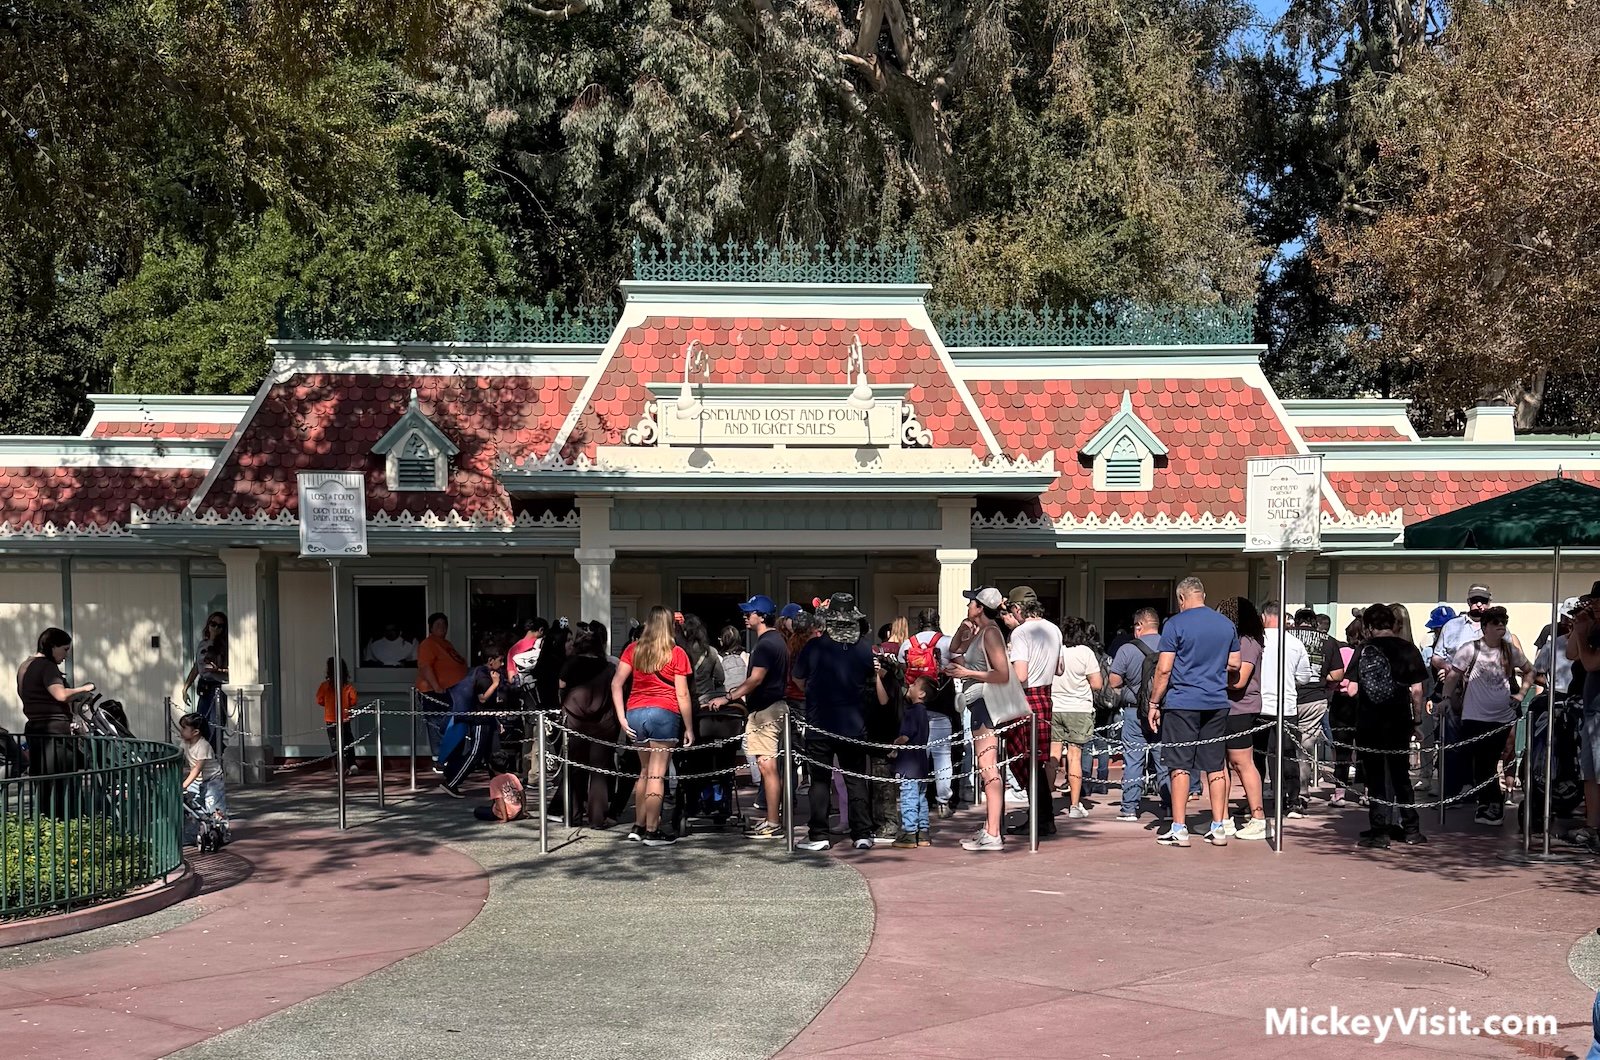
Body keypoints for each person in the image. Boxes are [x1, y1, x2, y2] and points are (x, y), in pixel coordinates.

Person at [1147, 577, 1239, 848]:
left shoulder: (1175, 624)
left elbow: (1164, 668)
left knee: (1179, 764)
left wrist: (1153, 703)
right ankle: (1218, 826)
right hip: (1216, 701)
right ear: (1203, 595)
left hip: (1182, 702)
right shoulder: (1226, 624)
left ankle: (1179, 827)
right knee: (1215, 765)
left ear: (1181, 598)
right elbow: (1235, 663)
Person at [792, 594, 887, 852]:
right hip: (853, 724)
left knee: (819, 781)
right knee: (855, 779)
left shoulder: (814, 647)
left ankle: (819, 834)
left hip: (819, 722)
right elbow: (871, 678)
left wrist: (815, 691)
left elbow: (798, 679)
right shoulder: (864, 648)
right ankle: (862, 833)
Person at [1347, 603, 1430, 848]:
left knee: (1375, 777)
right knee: (1400, 775)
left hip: (1369, 722)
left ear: (1369, 626)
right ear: (1393, 623)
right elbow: (1417, 690)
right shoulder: (1408, 649)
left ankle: (1380, 831)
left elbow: (1351, 689)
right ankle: (1412, 829)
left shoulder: (1363, 649)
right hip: (1399, 721)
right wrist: (1417, 721)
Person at [1443, 605, 1533, 827]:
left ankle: (1493, 804)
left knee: (1490, 761)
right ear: (1485, 627)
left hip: (1502, 717)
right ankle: (1487, 802)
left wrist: (1521, 694)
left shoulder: (1510, 650)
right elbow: (1453, 676)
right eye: (1495, 622)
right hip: (1474, 716)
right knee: (1479, 763)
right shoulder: (1470, 649)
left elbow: (1529, 670)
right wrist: (1445, 699)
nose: (1500, 625)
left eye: (1503, 621)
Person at [611, 607, 692, 846]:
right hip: (664, 712)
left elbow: (616, 684)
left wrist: (621, 717)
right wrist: (689, 727)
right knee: (657, 773)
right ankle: (652, 830)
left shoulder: (632, 649)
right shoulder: (676, 653)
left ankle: (638, 825)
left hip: (635, 712)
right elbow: (682, 693)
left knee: (644, 772)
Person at [947, 587, 1015, 852]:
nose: (968, 606)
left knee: (989, 769)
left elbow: (1002, 674)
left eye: (971, 603)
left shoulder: (991, 633)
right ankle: (990, 828)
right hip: (977, 702)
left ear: (980, 607)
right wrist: (963, 629)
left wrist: (967, 673)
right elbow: (955, 649)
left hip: (986, 703)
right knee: (986, 767)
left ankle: (993, 832)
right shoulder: (981, 632)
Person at [727, 595, 790, 839]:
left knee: (767, 767)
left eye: (750, 612)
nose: (745, 616)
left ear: (762, 616)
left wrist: (729, 697)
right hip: (771, 708)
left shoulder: (766, 644)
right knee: (768, 767)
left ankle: (773, 822)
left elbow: (755, 679)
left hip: (766, 711)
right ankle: (772, 819)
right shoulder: (777, 640)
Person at [18, 627, 95, 816]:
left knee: (45, 785)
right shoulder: (47, 666)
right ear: (52, 646)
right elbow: (60, 695)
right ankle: (69, 823)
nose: (66, 656)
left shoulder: (25, 666)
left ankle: (48, 821)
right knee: (63, 786)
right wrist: (84, 688)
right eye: (65, 649)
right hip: (56, 734)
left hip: (35, 731)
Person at [1005, 586, 1063, 834]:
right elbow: (1059, 669)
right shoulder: (1054, 629)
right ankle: (1044, 819)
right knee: (1036, 763)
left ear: (1018, 608)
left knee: (1025, 762)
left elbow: (1020, 675)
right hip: (1046, 697)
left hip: (1026, 698)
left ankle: (1041, 820)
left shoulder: (1020, 632)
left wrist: (1000, 671)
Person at [1110, 608, 1169, 822]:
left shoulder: (1127, 649)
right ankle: (1170, 805)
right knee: (1163, 759)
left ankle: (1129, 808)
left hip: (1134, 710)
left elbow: (1114, 681)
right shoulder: (1169, 646)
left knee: (1133, 759)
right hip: (1164, 710)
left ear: (1139, 626)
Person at [1215, 597, 1268, 841]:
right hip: (1225, 708)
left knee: (1242, 762)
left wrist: (1211, 678)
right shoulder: (1236, 640)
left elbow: (1239, 681)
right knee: (1220, 764)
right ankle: (1223, 818)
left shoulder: (1247, 642)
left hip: (1240, 708)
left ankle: (1258, 818)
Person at [1258, 602, 1316, 821]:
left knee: (1258, 756)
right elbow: (1304, 677)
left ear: (1264, 617)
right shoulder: (1295, 643)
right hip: (1286, 705)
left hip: (1260, 706)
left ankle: (1258, 801)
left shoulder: (1256, 641)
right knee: (1288, 754)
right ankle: (1292, 799)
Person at [899, 610, 959, 815]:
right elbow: (960, 666)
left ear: (920, 622)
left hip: (916, 708)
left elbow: (903, 671)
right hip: (942, 705)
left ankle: (917, 798)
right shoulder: (947, 642)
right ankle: (943, 802)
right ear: (937, 622)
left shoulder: (908, 644)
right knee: (942, 756)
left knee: (918, 754)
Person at [560, 623, 618, 829]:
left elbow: (561, 687)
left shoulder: (571, 664)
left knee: (575, 767)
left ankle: (573, 815)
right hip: (603, 723)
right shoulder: (610, 668)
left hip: (575, 721)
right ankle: (597, 818)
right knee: (599, 771)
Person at [1289, 607, 1344, 815]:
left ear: (1296, 622)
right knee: (1305, 747)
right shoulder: (1329, 641)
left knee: (1282, 747)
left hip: (1287, 697)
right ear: (1314, 623)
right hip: (1315, 699)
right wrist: (1321, 679)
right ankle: (1302, 793)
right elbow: (1337, 675)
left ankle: (1284, 791)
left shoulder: (1286, 637)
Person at [437, 640, 508, 799]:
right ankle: (452, 783)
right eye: (500, 660)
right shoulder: (483, 675)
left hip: (489, 719)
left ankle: (499, 787)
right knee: (475, 754)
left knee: (494, 754)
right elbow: (482, 698)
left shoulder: (488, 674)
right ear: (491, 660)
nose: (502, 664)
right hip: (480, 720)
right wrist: (495, 684)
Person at [1051, 616, 1100, 823]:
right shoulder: (1085, 652)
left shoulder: (1055, 650)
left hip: (1054, 706)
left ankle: (1045, 803)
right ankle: (1074, 804)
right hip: (1079, 708)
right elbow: (1097, 683)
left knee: (1052, 757)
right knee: (1075, 757)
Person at [1564, 592, 1600, 854]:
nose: (1595, 605)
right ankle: (1592, 826)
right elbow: (1571, 653)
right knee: (1590, 772)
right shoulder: (1594, 628)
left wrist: (1583, 636)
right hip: (1590, 707)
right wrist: (1579, 628)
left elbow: (1591, 663)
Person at [416, 613, 468, 763]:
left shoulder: (446, 644)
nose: (442, 627)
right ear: (430, 627)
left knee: (451, 725)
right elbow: (426, 666)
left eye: (444, 624)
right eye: (438, 624)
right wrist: (436, 686)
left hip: (452, 692)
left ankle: (450, 756)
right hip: (435, 691)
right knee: (437, 725)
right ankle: (439, 758)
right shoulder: (428, 644)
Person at [892, 676, 934, 848]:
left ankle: (909, 832)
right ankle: (923, 832)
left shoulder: (912, 712)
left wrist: (894, 744)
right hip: (921, 762)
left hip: (909, 764)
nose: (910, 685)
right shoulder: (924, 713)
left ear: (921, 693)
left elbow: (905, 736)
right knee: (921, 797)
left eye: (915, 684)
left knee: (908, 797)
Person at [178, 711, 227, 845]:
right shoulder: (185, 744)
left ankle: (221, 833)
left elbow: (197, 769)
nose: (181, 731)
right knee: (194, 806)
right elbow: (179, 759)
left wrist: (184, 785)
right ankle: (195, 834)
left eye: (184, 728)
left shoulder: (203, 746)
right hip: (197, 781)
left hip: (212, 780)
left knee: (214, 807)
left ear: (195, 732)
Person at [183, 611, 229, 753]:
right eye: (213, 624)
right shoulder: (202, 644)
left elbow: (235, 670)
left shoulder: (226, 646)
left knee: (215, 725)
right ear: (208, 625)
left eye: (220, 626)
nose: (216, 628)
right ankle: (202, 754)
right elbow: (197, 667)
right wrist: (186, 687)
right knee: (200, 722)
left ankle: (215, 755)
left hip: (218, 687)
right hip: (204, 686)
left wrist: (218, 670)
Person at [318, 657, 359, 776]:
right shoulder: (348, 686)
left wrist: (327, 704)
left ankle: (339, 768)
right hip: (344, 718)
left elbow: (319, 700)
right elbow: (354, 700)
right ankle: (352, 764)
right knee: (348, 741)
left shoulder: (325, 686)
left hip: (330, 719)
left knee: (335, 745)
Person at [507, 617, 548, 686]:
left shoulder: (512, 650)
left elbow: (511, 678)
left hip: (525, 689)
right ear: (541, 630)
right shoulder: (545, 644)